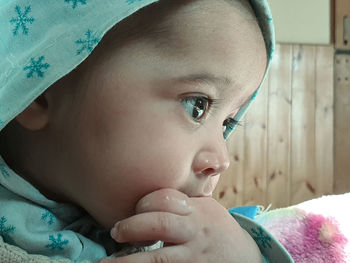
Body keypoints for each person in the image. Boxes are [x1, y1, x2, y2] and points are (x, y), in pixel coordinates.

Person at [0, 0, 292, 262]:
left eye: (227, 122)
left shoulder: (194, 242)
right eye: (197, 106)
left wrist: (245, 256)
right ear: (41, 90)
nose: (221, 158)